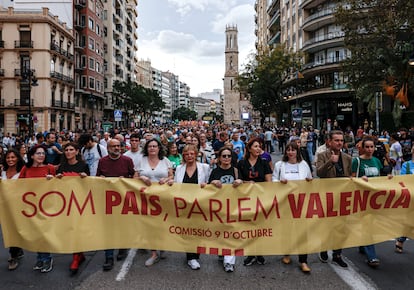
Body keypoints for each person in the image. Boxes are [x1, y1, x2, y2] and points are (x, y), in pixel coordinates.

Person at [351, 136, 392, 268]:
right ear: (362, 148)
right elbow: (351, 179)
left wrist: (389, 179)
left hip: (375, 200)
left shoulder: (377, 161)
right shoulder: (356, 161)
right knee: (368, 225)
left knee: (370, 224)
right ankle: (372, 256)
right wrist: (359, 179)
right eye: (367, 147)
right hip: (362, 199)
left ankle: (363, 245)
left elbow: (380, 178)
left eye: (371, 147)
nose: (369, 149)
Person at [272, 142, 312, 273]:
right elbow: (273, 181)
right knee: (287, 230)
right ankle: (287, 253)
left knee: (302, 232)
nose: (290, 152)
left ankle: (303, 260)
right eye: (288, 150)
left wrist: (308, 181)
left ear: (297, 151)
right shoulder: (280, 165)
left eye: (293, 150)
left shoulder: (304, 164)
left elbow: (310, 179)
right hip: (285, 203)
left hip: (300, 203)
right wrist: (279, 182)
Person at [96, 139, 136, 271]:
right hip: (108, 200)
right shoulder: (102, 161)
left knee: (123, 226)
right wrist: (100, 179)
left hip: (124, 199)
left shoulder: (127, 161)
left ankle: (122, 248)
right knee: (108, 229)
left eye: (119, 146)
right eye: (114, 146)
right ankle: (108, 257)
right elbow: (97, 178)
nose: (117, 148)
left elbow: (133, 178)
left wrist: (126, 180)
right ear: (108, 148)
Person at [316, 130, 351, 268]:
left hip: (342, 196)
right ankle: (323, 248)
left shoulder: (347, 158)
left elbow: (350, 176)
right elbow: (319, 173)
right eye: (336, 140)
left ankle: (337, 254)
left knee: (340, 226)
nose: (339, 143)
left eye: (341, 140)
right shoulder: (322, 155)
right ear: (329, 141)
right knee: (326, 225)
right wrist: (330, 162)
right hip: (327, 196)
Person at [136, 138, 173, 267]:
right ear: (146, 148)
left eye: (154, 146)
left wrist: (166, 179)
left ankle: (162, 246)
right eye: (150, 146)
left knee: (162, 224)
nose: (152, 148)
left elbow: (172, 176)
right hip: (145, 198)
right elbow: (134, 177)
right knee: (149, 225)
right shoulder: (141, 160)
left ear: (159, 148)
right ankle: (153, 253)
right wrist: (142, 177)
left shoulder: (165, 161)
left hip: (162, 198)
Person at [19, 144, 55, 273]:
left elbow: (59, 186)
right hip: (31, 206)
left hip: (46, 207)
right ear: (32, 155)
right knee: (36, 233)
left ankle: (47, 258)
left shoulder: (50, 168)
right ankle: (40, 258)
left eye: (43, 153)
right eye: (38, 153)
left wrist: (53, 180)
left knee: (43, 233)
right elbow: (18, 185)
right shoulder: (26, 169)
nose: (41, 156)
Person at [174, 144, 210, 270]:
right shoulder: (179, 168)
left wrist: (207, 185)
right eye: (186, 154)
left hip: (199, 205)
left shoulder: (204, 168)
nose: (189, 156)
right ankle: (191, 257)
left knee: (197, 231)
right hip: (184, 206)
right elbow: (175, 185)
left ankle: (194, 253)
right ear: (183, 155)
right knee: (187, 231)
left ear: (196, 155)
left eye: (192, 154)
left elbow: (210, 184)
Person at [237, 137, 272, 266]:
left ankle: (260, 253)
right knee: (249, 227)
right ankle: (251, 253)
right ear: (249, 148)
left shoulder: (263, 163)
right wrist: (248, 183)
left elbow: (269, 181)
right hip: (246, 199)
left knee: (260, 227)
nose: (259, 149)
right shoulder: (241, 163)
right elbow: (238, 181)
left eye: (260, 146)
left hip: (261, 199)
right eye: (256, 146)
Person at [56, 142, 89, 274]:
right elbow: (56, 186)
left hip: (80, 203)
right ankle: (79, 254)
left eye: (71, 150)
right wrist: (56, 178)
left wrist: (85, 178)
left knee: (77, 229)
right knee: (69, 229)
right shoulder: (61, 166)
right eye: (66, 150)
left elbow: (89, 185)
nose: (68, 152)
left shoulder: (83, 166)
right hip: (65, 203)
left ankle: (76, 257)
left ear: (76, 151)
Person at [208, 146, 243, 273]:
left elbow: (246, 187)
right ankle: (222, 251)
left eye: (229, 156)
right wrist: (212, 183)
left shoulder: (236, 171)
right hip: (219, 208)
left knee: (231, 233)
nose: (227, 158)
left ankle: (229, 262)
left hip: (233, 207)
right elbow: (207, 189)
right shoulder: (215, 172)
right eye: (224, 156)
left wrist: (240, 181)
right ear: (219, 158)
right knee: (221, 232)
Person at [1, 149, 25, 270]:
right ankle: (18, 249)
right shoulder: (2, 171)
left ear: (17, 158)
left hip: (18, 206)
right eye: (8, 158)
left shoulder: (23, 171)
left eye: (13, 157)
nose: (10, 160)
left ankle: (13, 256)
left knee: (14, 229)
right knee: (8, 228)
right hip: (4, 206)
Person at [395, 144, 414, 253]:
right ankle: (401, 240)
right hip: (411, 197)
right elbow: (402, 181)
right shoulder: (406, 165)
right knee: (410, 221)